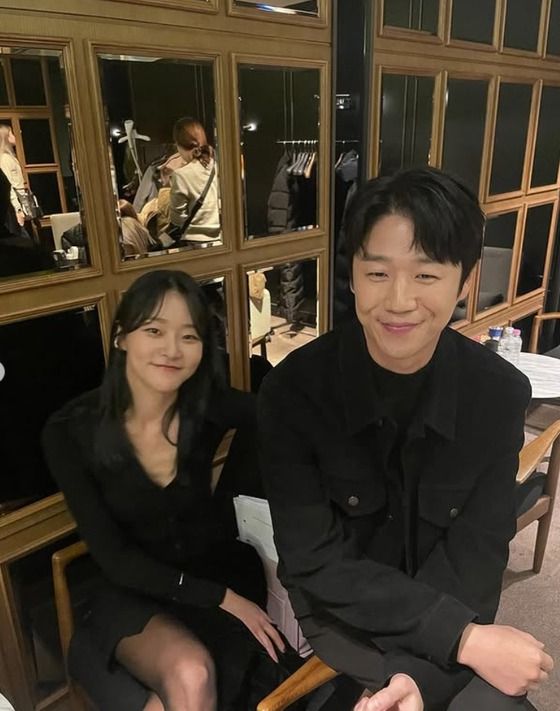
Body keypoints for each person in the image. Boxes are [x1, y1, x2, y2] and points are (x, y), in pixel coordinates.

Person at [258, 167, 553, 711]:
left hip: (451, 603)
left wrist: (421, 675)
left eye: (425, 275)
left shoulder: (497, 393)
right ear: (352, 275)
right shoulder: (292, 393)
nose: (398, 300)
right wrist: (463, 640)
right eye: (377, 272)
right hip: (344, 620)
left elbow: (479, 551)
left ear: (464, 282)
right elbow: (316, 563)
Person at [42, 270, 287, 711]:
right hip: (130, 589)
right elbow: (116, 559)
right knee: (192, 673)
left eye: (189, 336)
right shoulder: (70, 432)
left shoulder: (204, 404)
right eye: (154, 330)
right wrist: (226, 600)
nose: (172, 349)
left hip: (209, 575)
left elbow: (286, 414)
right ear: (122, 336)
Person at [169, 117, 221, 247]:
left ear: (179, 146)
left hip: (193, 244)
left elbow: (177, 219)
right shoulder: (218, 167)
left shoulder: (180, 175)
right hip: (221, 241)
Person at [0, 124, 28, 237]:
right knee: (22, 237)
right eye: (11, 134)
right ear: (6, 138)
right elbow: (9, 186)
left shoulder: (10, 157)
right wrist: (18, 209)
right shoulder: (4, 159)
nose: (14, 136)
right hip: (14, 205)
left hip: (20, 201)